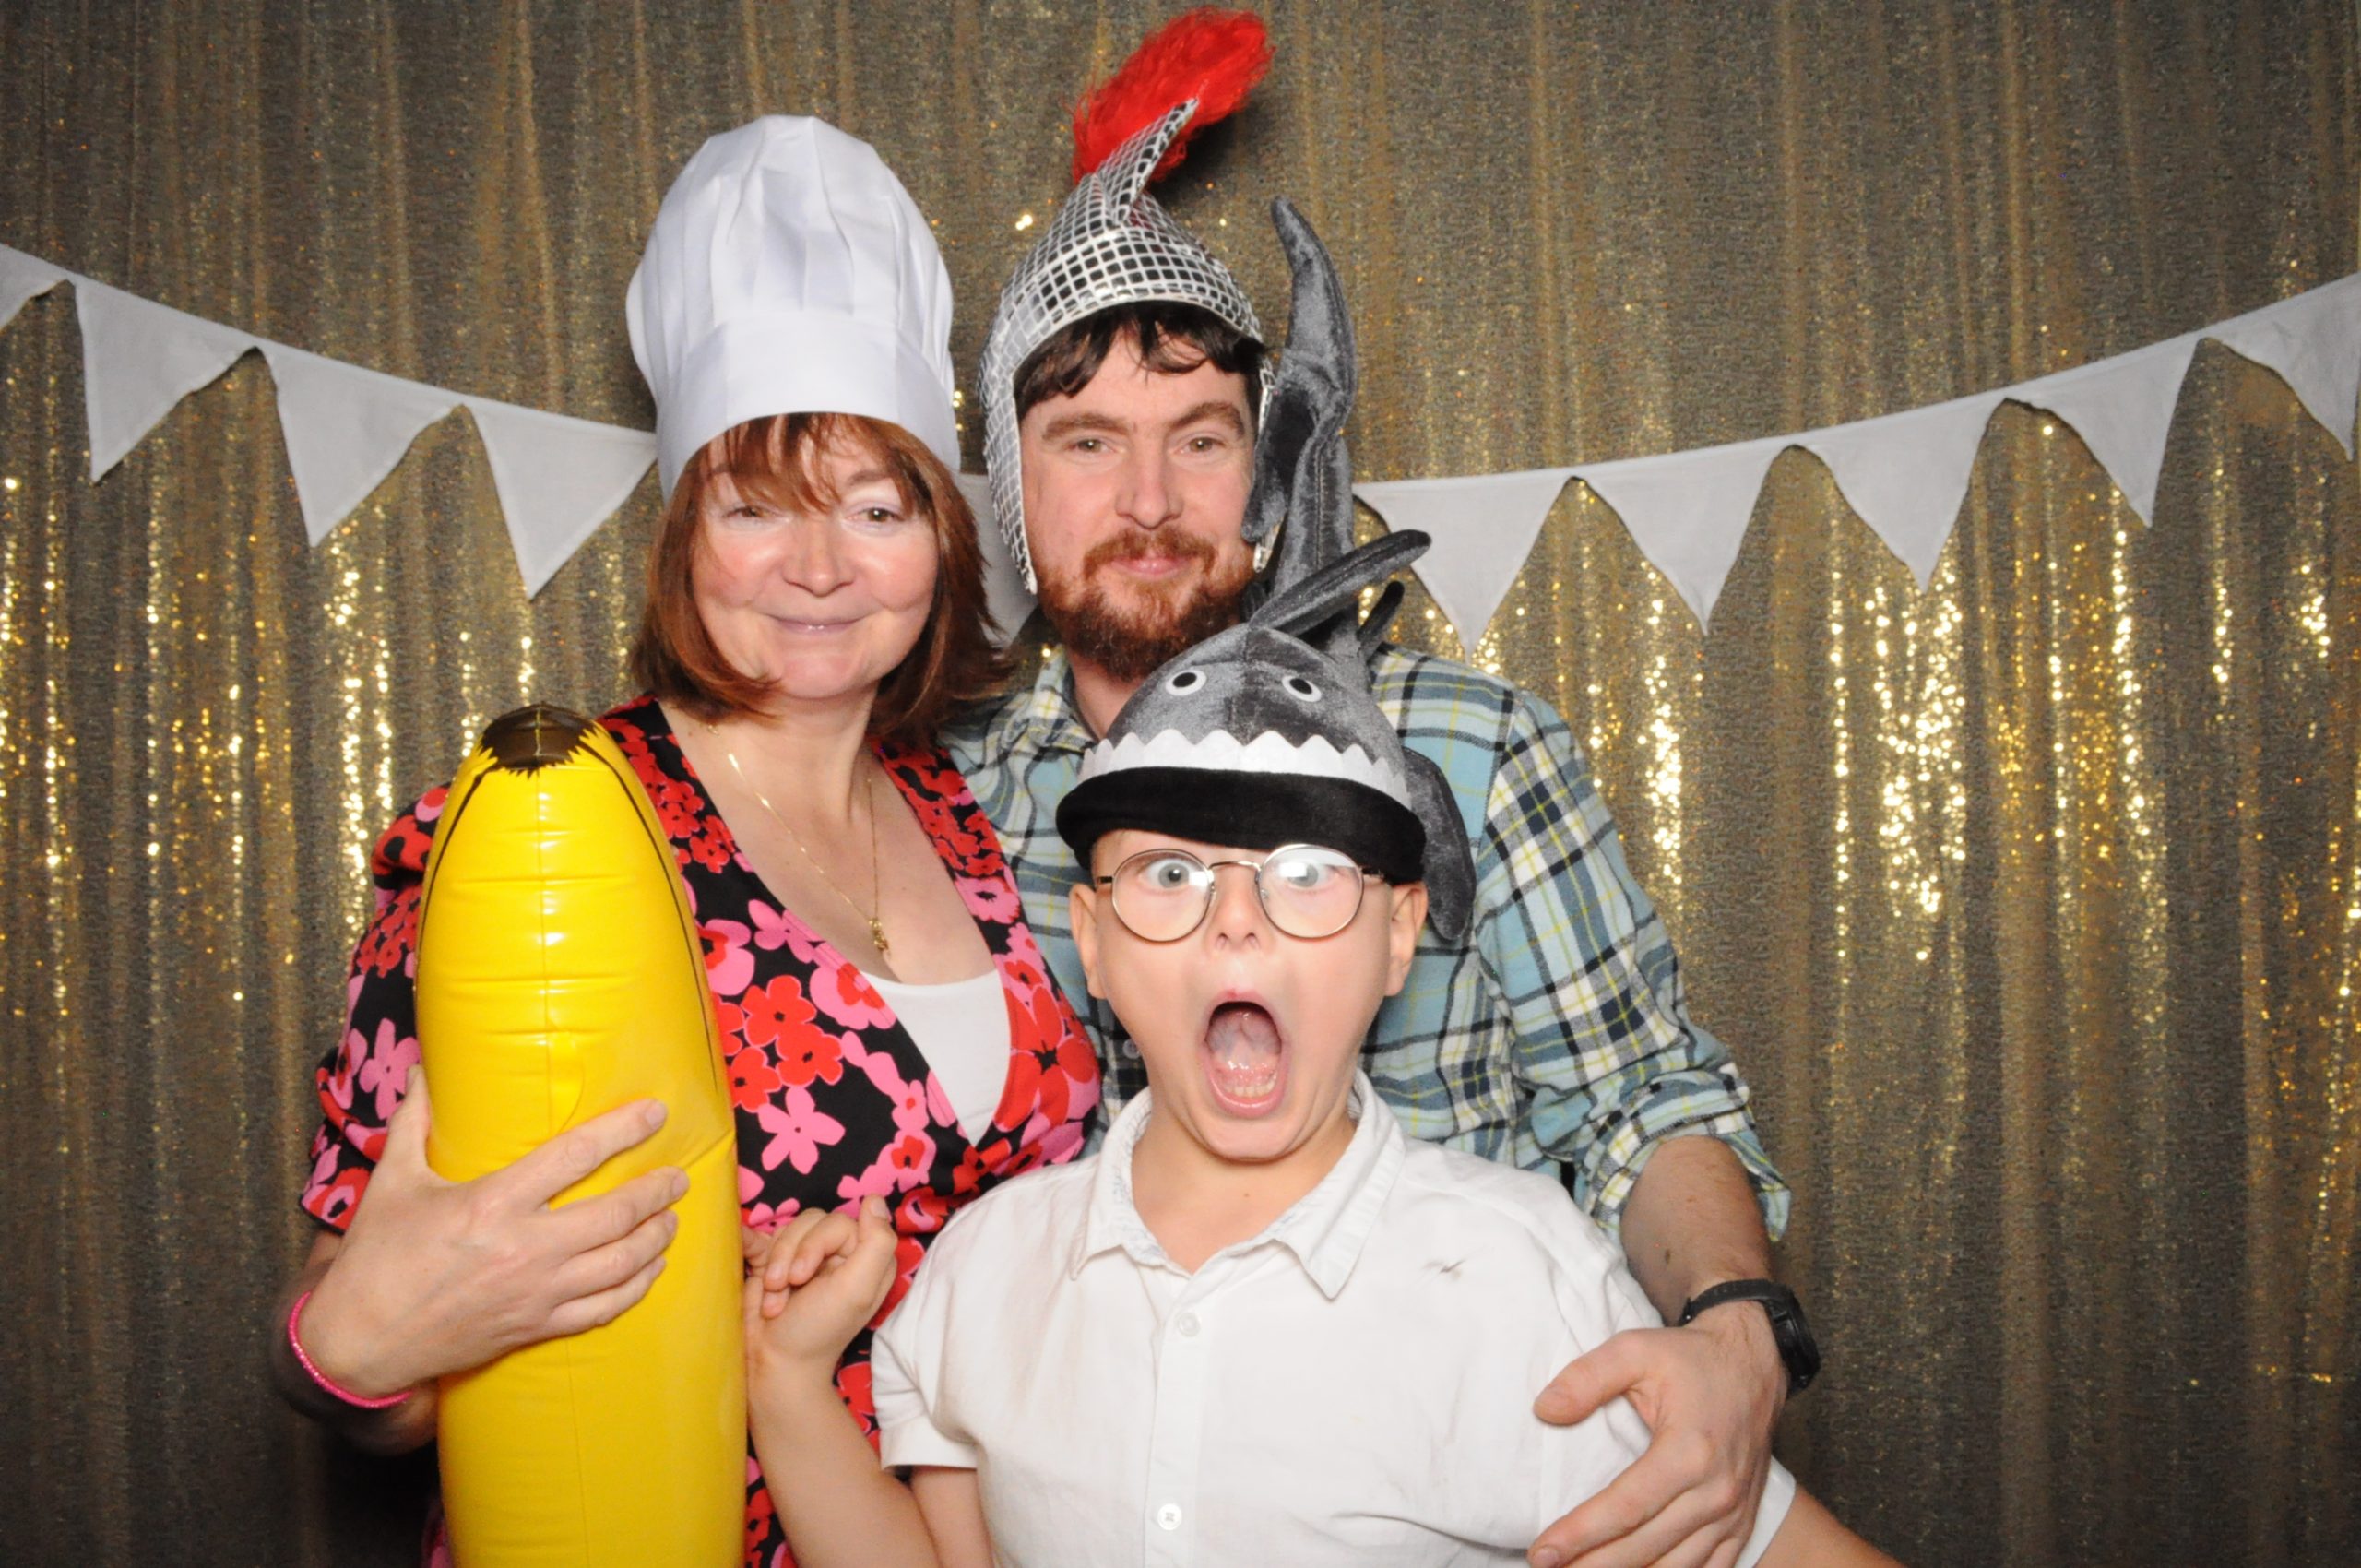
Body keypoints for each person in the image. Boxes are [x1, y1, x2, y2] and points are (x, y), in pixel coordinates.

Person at [945, 31, 1809, 1565]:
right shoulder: (950, 810)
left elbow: (1643, 1103)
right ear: (1011, 485)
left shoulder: (1468, 748)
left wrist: (1738, 1332)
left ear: (1269, 470)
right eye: (1088, 443)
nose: (1149, 502)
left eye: (1201, 440)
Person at [266, 116, 1100, 1567]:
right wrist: (351, 1352)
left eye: (876, 506)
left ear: (942, 541)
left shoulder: (967, 818)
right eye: (756, 506)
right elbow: (380, 1316)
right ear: (681, 536)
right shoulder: (548, 828)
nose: (822, 567)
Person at [740, 535, 1894, 1568]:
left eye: (1306, 875)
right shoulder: (985, 1269)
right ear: (1090, 939)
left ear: (1398, 934)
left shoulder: (1524, 1278)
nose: (1236, 922)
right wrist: (788, 1381)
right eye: (1170, 874)